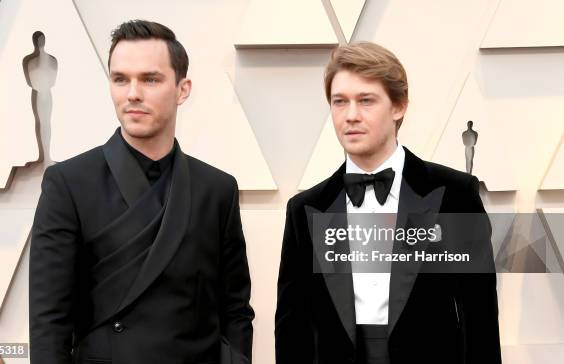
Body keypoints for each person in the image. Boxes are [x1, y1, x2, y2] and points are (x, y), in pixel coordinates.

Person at [29, 20, 254, 364]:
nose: (133, 93)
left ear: (182, 89)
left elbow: (235, 309)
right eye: (121, 79)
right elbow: (49, 322)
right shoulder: (68, 183)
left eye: (150, 79)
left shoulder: (217, 189)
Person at [275, 42, 501, 364]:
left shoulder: (454, 193)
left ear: (399, 106)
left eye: (366, 101)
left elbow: (479, 319)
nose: (350, 115)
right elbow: (292, 329)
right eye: (340, 102)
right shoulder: (304, 209)